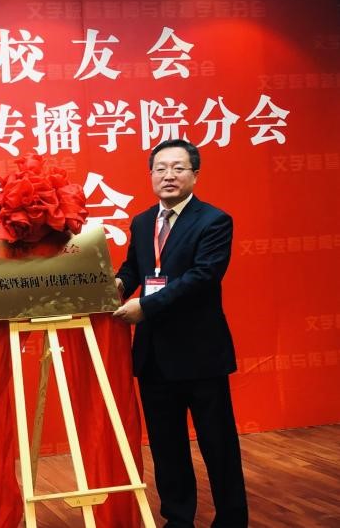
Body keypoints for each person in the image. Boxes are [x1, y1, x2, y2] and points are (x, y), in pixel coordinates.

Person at [113, 139, 248, 527]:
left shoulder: (214, 221)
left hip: (200, 353)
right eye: (160, 168)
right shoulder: (142, 222)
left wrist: (146, 306)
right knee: (166, 445)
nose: (168, 175)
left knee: (217, 444)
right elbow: (134, 268)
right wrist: (119, 285)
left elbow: (202, 277)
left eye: (178, 168)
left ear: (195, 174)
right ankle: (177, 518)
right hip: (154, 355)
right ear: (151, 174)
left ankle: (232, 519)